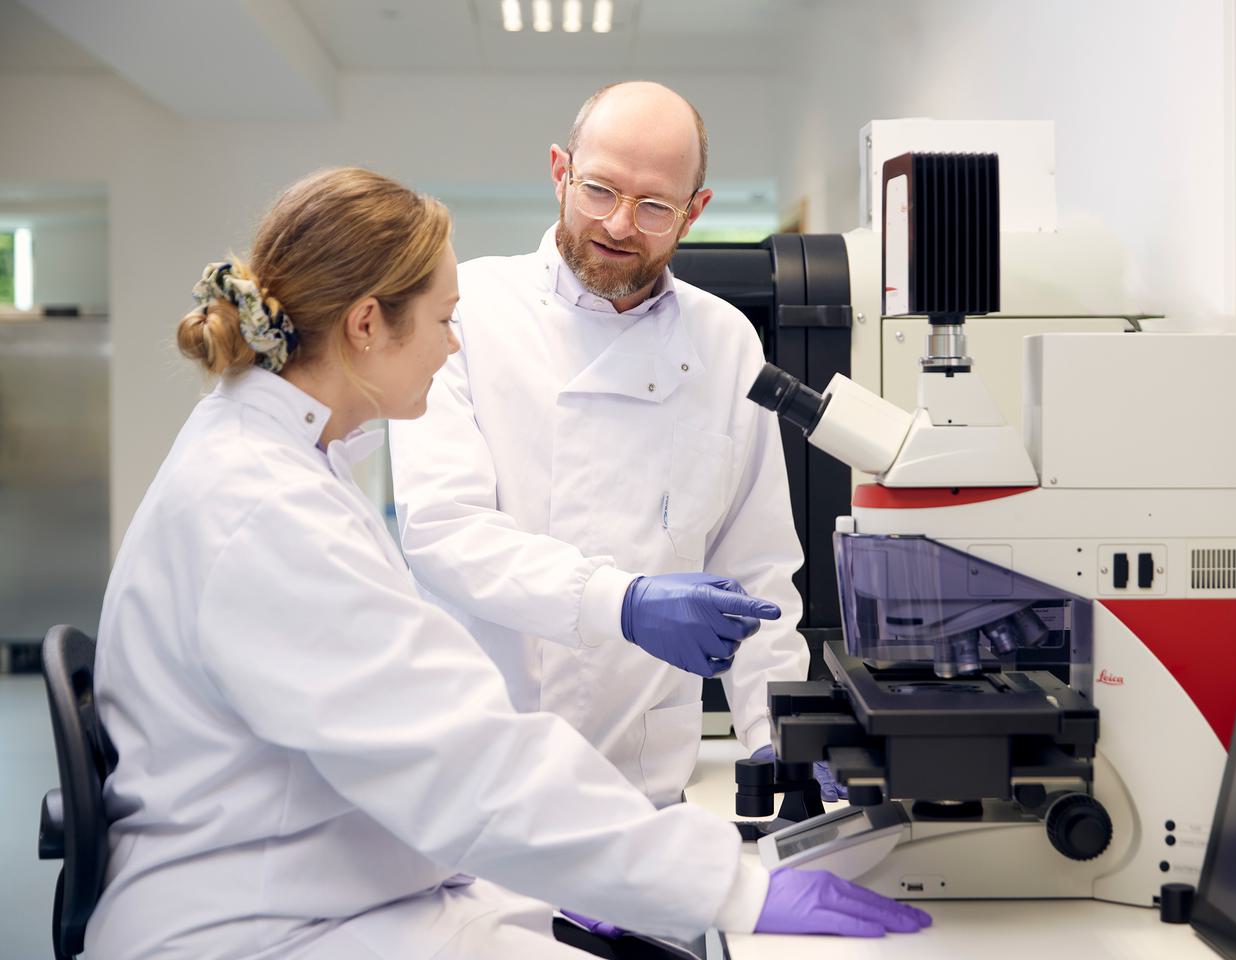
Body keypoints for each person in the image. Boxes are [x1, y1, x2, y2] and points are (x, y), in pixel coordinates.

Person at [87, 167, 927, 959]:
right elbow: (460, 761)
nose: (455, 346)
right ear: (368, 324)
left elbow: (425, 748)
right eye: (445, 320)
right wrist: (725, 890)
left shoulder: (282, 458)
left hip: (342, 879)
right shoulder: (266, 507)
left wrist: (597, 866)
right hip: (259, 924)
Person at [389, 80, 839, 808]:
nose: (621, 225)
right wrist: (622, 602)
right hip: (478, 772)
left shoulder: (724, 341)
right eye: (599, 190)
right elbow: (444, 531)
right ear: (560, 172)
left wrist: (777, 737)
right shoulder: (466, 314)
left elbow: (755, 573)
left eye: (656, 206)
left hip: (643, 781)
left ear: (696, 212)